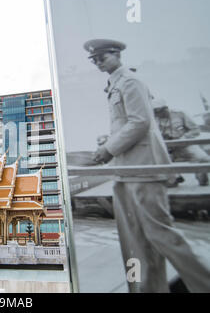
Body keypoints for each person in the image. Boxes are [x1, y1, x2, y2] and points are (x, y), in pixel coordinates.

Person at [84, 38, 210, 292]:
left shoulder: (130, 81)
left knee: (161, 233)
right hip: (126, 170)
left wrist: (108, 148)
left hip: (144, 168)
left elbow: (139, 121)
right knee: (139, 241)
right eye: (94, 59)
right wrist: (110, 145)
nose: (98, 63)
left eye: (103, 57)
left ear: (117, 54)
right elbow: (124, 124)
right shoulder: (115, 85)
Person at [152, 98, 210, 186]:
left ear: (165, 108)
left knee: (201, 158)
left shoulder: (180, 114)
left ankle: (202, 180)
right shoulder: (153, 118)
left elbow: (195, 130)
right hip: (167, 147)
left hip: (184, 144)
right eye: (154, 112)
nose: (157, 114)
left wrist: (182, 138)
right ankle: (175, 178)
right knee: (158, 161)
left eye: (158, 111)